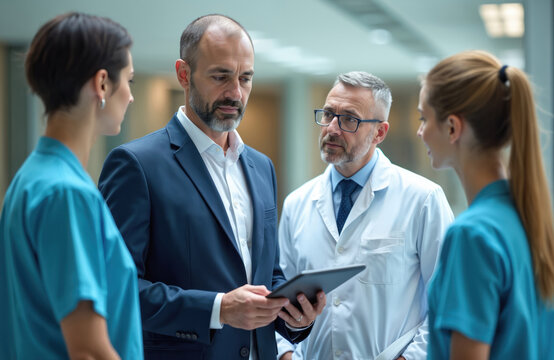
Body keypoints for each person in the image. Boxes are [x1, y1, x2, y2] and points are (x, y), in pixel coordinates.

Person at [98, 14, 325, 360]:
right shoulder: (136, 165)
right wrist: (218, 309)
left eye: (245, 78)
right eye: (221, 76)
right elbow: (116, 288)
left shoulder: (261, 167)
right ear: (184, 74)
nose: (235, 93)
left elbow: (266, 273)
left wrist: (295, 316)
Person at [276, 71, 454, 360]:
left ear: (379, 133)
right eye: (328, 114)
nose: (332, 128)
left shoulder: (422, 199)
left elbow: (448, 302)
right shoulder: (297, 203)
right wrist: (285, 355)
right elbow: (278, 297)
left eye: (349, 119)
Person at [0, 12, 142, 359]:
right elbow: (89, 351)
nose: (131, 96)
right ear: (103, 83)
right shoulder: (67, 193)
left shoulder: (30, 179)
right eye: (130, 81)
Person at [418, 50, 554, 359]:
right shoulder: (531, 220)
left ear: (452, 127)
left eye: (424, 118)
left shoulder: (472, 235)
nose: (420, 131)